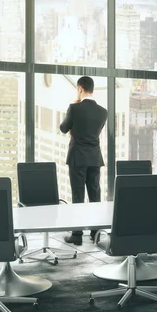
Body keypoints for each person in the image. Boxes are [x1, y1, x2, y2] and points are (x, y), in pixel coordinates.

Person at [59, 76, 108, 246]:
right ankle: (95, 233)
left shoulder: (74, 108)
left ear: (80, 88)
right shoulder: (103, 111)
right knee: (95, 195)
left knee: (78, 195)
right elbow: (93, 132)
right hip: (94, 158)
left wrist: (73, 126)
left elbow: (63, 128)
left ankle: (77, 234)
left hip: (78, 157)